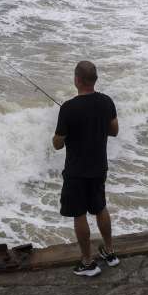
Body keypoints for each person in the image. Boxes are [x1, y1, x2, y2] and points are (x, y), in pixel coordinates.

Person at [52, 60, 120, 277]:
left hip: (77, 171)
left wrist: (66, 133)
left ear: (77, 79)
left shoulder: (69, 108)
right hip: (99, 166)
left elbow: (57, 143)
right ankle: (110, 253)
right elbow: (114, 131)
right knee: (100, 208)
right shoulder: (106, 102)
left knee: (79, 214)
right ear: (95, 79)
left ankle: (88, 262)